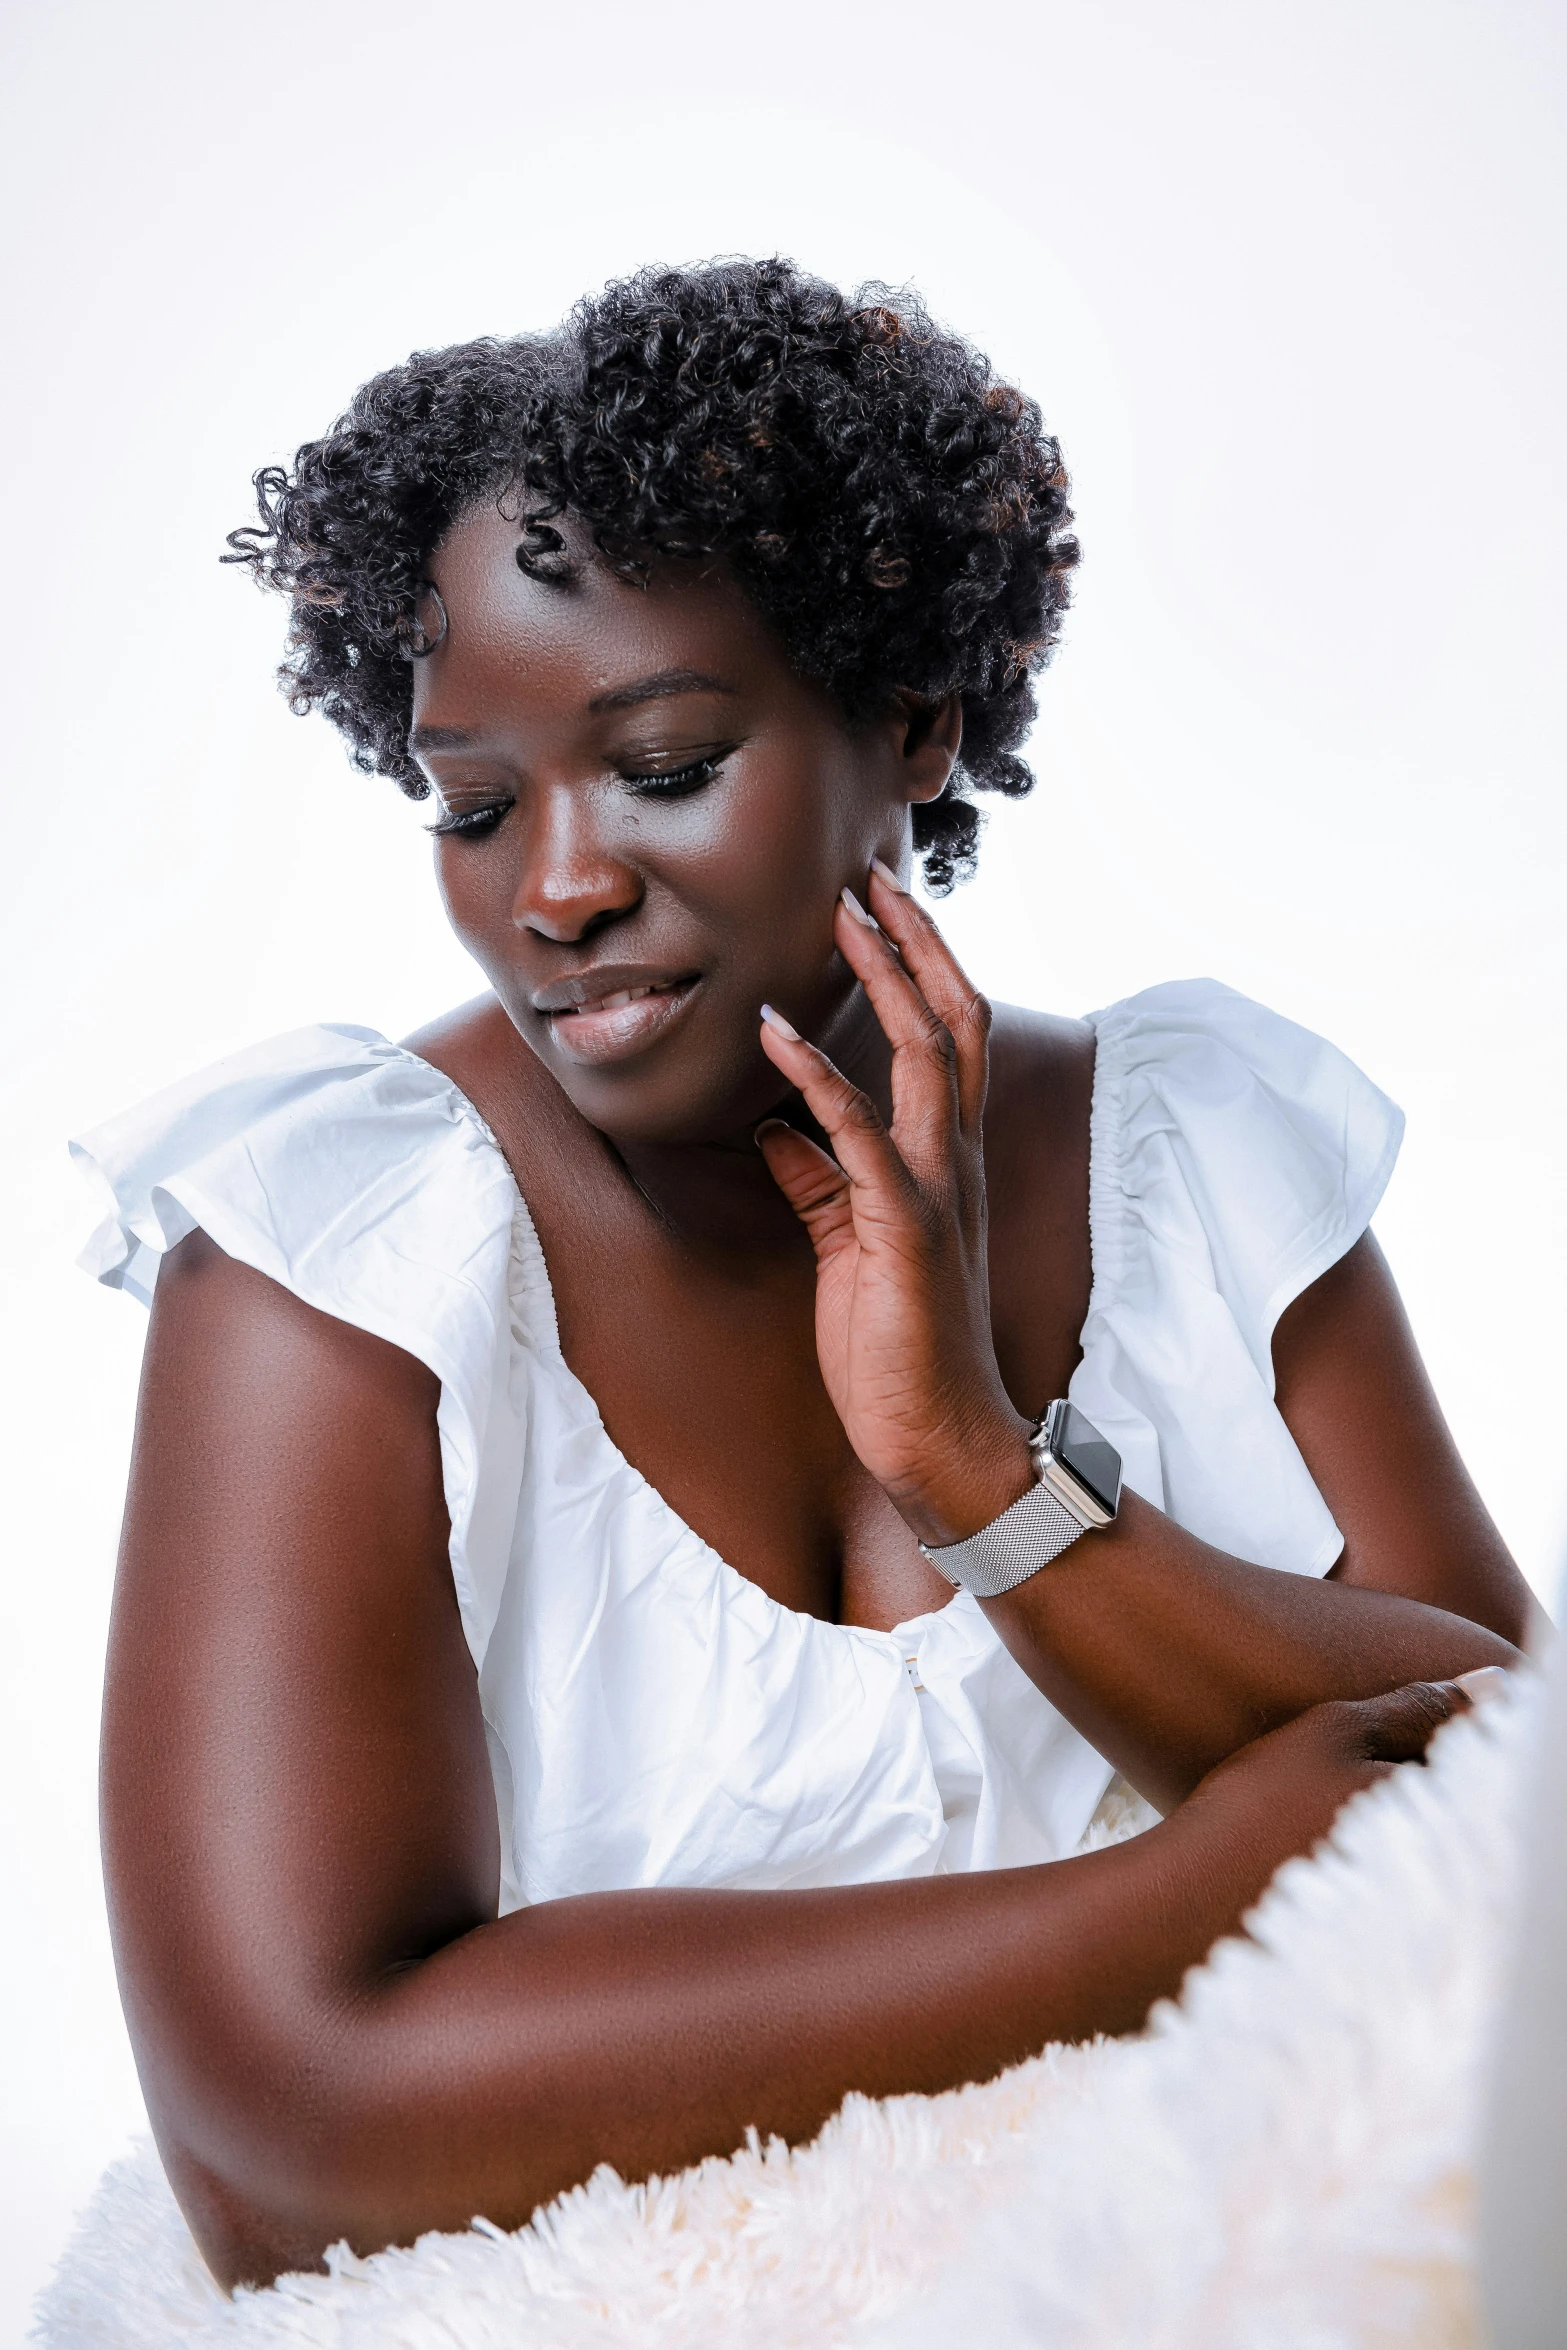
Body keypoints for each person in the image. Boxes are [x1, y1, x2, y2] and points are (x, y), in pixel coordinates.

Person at [77, 258, 1530, 2293]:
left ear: (912, 723)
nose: (558, 886)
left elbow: (1507, 1789)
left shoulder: (1194, 1149)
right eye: (474, 804)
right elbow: (286, 2123)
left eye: (663, 761)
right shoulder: (344, 1249)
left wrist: (987, 1482)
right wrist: (1172, 1910)